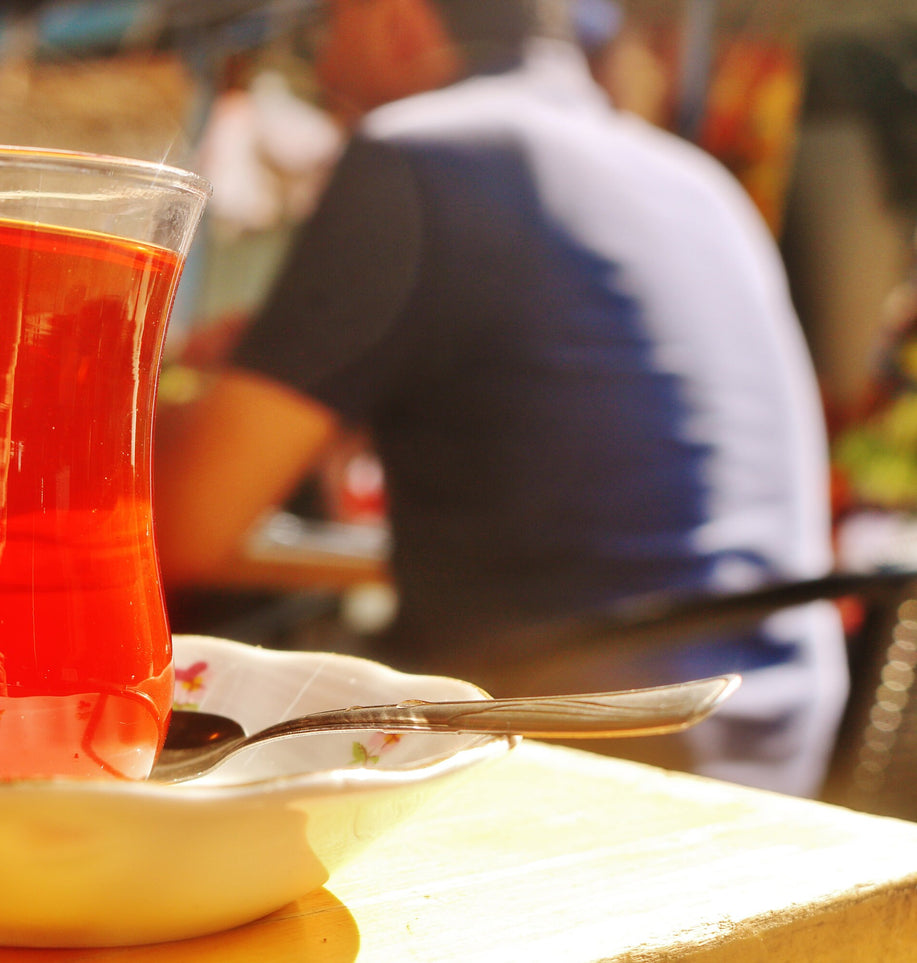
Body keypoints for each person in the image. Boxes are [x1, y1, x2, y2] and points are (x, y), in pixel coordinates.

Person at [155, 0, 848, 796]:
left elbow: (182, 522)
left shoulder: (418, 150)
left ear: (395, 21)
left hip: (583, 746)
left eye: (325, 30)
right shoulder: (699, 186)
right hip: (774, 743)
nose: (319, 67)